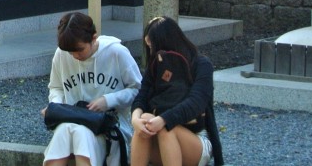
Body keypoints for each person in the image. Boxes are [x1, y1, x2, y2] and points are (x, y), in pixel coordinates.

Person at [42, 11, 142, 166]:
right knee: (66, 130)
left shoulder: (116, 53)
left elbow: (138, 90)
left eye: (79, 49)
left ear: (94, 38)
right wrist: (56, 106)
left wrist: (108, 100)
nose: (75, 55)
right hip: (72, 119)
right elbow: (56, 87)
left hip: (109, 125)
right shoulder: (62, 53)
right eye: (70, 52)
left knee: (80, 133)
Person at [129, 16, 224, 166]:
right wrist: (135, 120)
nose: (151, 50)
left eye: (152, 45)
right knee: (146, 118)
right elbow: (141, 96)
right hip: (161, 138)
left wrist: (163, 119)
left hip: (196, 140)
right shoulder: (155, 65)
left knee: (167, 127)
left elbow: (196, 102)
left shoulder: (201, 64)